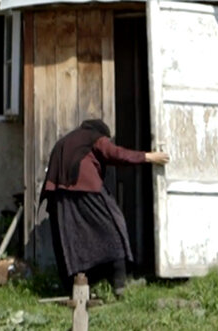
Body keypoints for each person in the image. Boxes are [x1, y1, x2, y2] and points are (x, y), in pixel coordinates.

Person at [39, 119, 170, 298]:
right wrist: (148, 157)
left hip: (60, 198)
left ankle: (75, 287)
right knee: (114, 227)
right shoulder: (95, 137)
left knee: (71, 242)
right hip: (87, 189)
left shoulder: (65, 141)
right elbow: (116, 154)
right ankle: (119, 285)